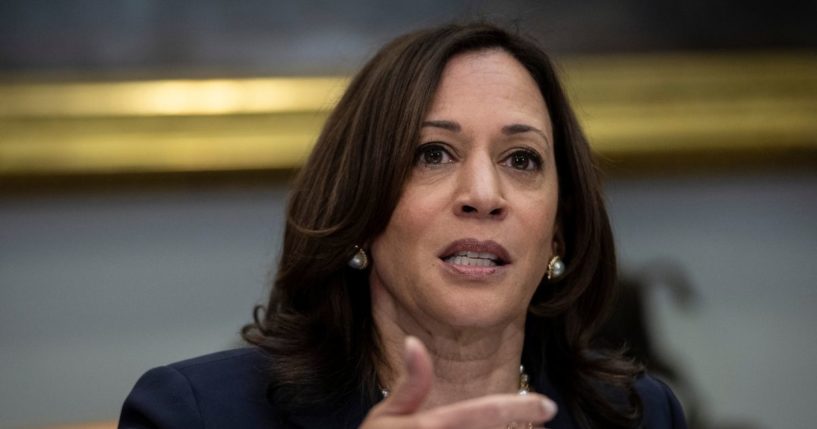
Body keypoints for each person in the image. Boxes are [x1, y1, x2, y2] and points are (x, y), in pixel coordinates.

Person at [119, 22, 687, 429]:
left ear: (559, 231)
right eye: (433, 154)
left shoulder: (639, 414)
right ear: (362, 212)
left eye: (522, 160)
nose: (484, 196)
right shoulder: (195, 413)